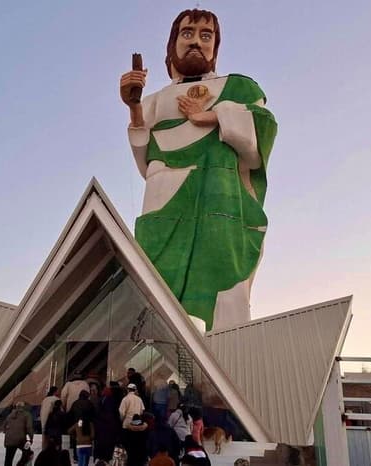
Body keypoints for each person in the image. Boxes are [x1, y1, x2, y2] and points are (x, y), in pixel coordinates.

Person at [119, 8, 277, 332]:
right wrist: (134, 107)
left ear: (215, 46)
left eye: (206, 36)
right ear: (172, 44)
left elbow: (262, 129)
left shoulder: (238, 88)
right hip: (164, 200)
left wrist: (214, 116)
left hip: (219, 200)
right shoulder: (155, 100)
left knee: (223, 279)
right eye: (187, 33)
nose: (196, 42)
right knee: (155, 283)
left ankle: (225, 353)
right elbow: (146, 158)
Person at [93, 383, 122, 463]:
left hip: (104, 427)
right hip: (108, 427)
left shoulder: (106, 400)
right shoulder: (110, 400)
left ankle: (102, 458)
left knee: (104, 445)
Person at [4, 401, 34, 466]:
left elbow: (5, 427)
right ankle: (20, 464)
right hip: (21, 440)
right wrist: (31, 438)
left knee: (8, 459)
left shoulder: (10, 415)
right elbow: (29, 427)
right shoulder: (27, 414)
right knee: (28, 453)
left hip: (9, 439)